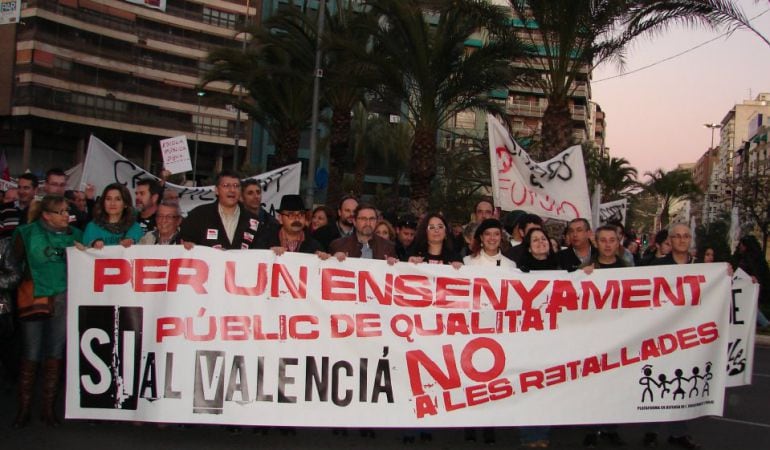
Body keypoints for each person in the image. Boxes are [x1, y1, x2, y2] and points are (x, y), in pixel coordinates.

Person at [12, 195, 83, 428]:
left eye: (67, 211)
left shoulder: (76, 235)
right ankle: (24, 408)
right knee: (31, 352)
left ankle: (47, 408)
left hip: (63, 297)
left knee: (54, 352)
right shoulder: (26, 233)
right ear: (46, 215)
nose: (66, 216)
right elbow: (16, 263)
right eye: (61, 212)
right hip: (35, 297)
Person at [645, 222, 703, 450]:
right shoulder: (657, 266)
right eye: (677, 236)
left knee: (682, 384)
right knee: (658, 382)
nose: (681, 240)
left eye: (686, 236)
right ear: (671, 239)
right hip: (661, 335)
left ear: (690, 240)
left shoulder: (702, 269)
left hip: (688, 336)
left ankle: (678, 432)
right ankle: (651, 430)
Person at [581, 225, 628, 448]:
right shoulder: (585, 269)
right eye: (603, 240)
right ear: (596, 243)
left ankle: (611, 428)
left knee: (614, 385)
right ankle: (591, 428)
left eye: (612, 240)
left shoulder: (629, 270)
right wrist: (582, 276)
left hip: (620, 337)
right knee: (592, 386)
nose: (608, 244)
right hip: (592, 338)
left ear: (618, 242)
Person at [179, 170, 268, 249]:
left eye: (236, 186)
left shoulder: (253, 221)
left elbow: (259, 253)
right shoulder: (198, 215)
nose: (232, 190)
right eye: (226, 186)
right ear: (217, 190)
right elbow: (185, 243)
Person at [83, 183, 144, 248]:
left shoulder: (134, 227)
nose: (112, 203)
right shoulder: (92, 227)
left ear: (125, 203)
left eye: (118, 199)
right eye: (108, 199)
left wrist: (131, 242)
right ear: (103, 202)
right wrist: (93, 244)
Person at [260, 194, 325, 255]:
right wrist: (267, 253)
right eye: (291, 215)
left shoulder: (315, 246)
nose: (297, 219)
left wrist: (323, 259)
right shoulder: (264, 240)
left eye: (301, 214)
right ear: (280, 218)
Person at [329, 203, 396, 261]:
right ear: (354, 221)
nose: (368, 223)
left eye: (372, 219)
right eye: (363, 219)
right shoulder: (338, 245)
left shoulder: (387, 247)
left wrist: (393, 265)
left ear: (376, 221)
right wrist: (333, 261)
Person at [731, 235, 770, 329]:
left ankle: (765, 323)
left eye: (741, 244)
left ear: (745, 246)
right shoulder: (756, 257)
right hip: (752, 287)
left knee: (750, 306)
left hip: (748, 288)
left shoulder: (747, 259)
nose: (739, 246)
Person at [0, 173, 39, 238]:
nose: (21, 191)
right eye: (19, 187)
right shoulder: (4, 209)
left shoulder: (41, 211)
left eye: (26, 188)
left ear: (35, 190)